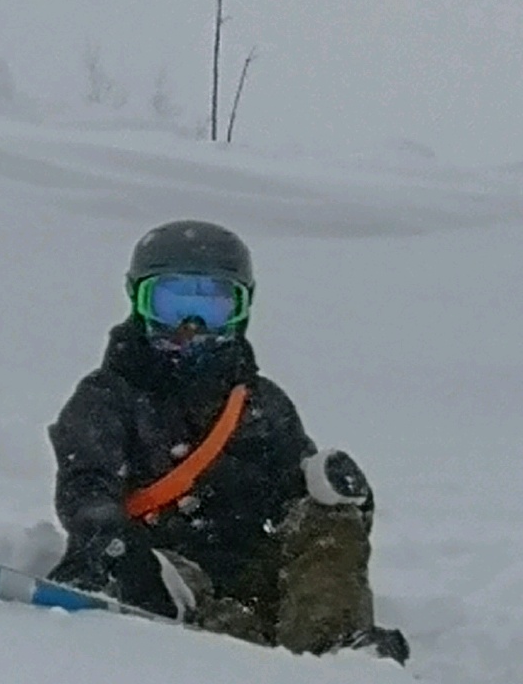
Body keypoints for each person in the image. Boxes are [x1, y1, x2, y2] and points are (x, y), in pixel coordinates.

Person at [48, 219, 406, 658]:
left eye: (214, 306)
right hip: (158, 571)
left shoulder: (261, 406)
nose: (192, 326)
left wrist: (348, 502)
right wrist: (114, 546)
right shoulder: (107, 398)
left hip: (254, 577)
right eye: (171, 303)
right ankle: (254, 662)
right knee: (184, 591)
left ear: (243, 309)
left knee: (327, 518)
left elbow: (298, 504)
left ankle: (334, 651)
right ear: (137, 301)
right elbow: (85, 487)